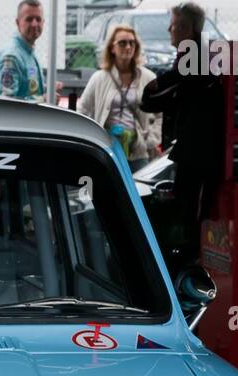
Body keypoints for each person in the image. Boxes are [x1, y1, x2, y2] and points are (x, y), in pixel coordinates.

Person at [139, 3, 223, 268]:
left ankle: (190, 267)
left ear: (185, 28)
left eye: (173, 24)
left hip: (198, 154)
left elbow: (157, 98)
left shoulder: (193, 59)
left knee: (191, 213)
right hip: (197, 151)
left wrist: (156, 85)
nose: (168, 29)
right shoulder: (199, 56)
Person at [78, 23, 157, 165]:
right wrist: (90, 140)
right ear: (112, 48)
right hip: (108, 149)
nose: (128, 47)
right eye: (122, 43)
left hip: (138, 150)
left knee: (138, 186)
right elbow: (83, 109)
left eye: (132, 43)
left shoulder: (148, 78)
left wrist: (152, 140)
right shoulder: (100, 78)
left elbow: (160, 114)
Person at [0, 0, 44, 101]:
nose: (34, 24)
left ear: (43, 22)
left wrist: (46, 93)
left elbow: (32, 93)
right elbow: (6, 103)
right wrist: (43, 100)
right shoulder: (11, 58)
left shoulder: (28, 54)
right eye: (29, 19)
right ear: (17, 22)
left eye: (38, 19)